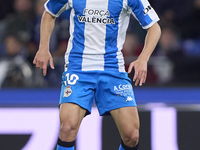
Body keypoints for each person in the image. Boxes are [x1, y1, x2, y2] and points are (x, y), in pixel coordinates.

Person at [33, 0, 161, 149]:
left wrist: (143, 58)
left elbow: (154, 27)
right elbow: (49, 12)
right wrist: (43, 47)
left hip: (112, 69)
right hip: (78, 68)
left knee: (131, 135)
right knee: (67, 128)